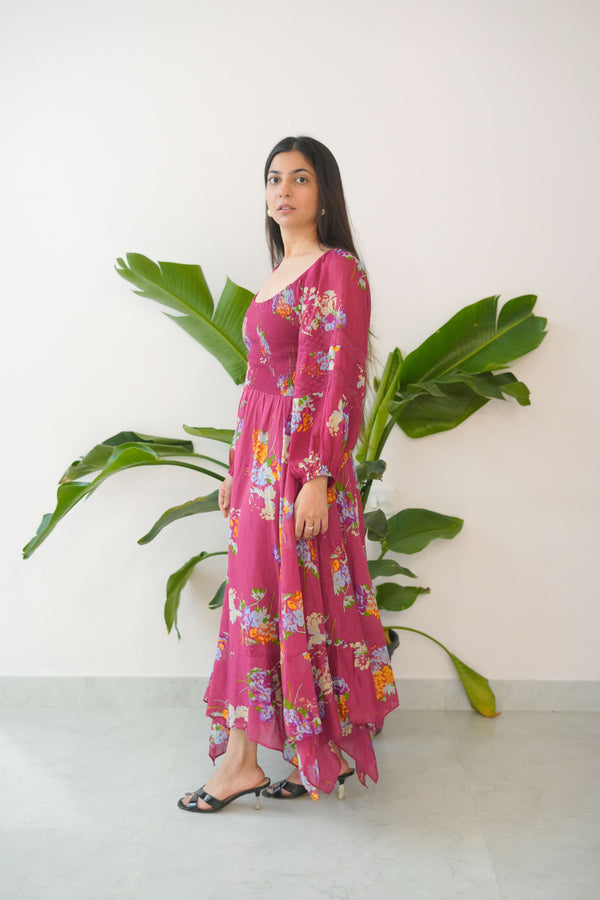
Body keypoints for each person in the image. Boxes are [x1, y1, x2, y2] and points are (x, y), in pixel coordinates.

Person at [178, 136, 399, 813]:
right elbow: (256, 383)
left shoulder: (337, 269)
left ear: (323, 194)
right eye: (274, 178)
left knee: (282, 603)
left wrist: (318, 477)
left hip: (302, 464)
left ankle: (242, 763)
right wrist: (236, 469)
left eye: (300, 179)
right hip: (262, 463)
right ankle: (313, 756)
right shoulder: (277, 272)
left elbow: (340, 382)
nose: (284, 190)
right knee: (260, 606)